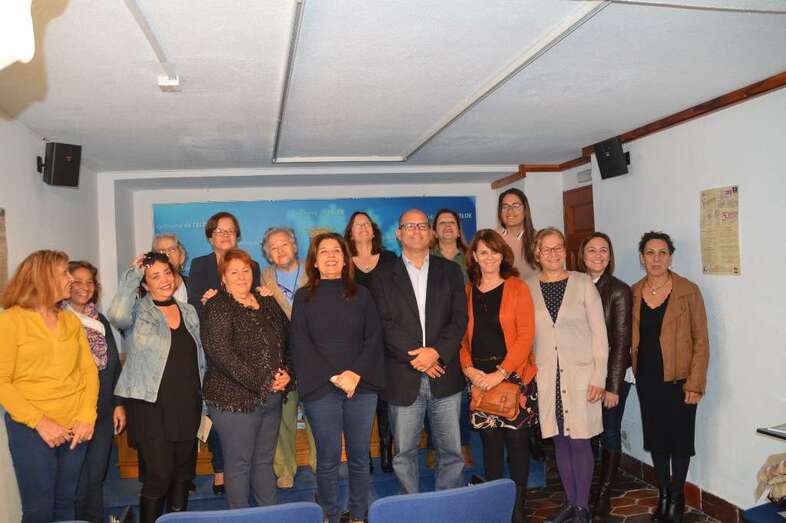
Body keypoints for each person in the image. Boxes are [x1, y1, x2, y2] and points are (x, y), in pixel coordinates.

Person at [369, 208, 468, 494]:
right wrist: (421, 358)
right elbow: (384, 325)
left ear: (431, 232)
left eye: (422, 225)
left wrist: (436, 352)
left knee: (451, 452)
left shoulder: (449, 271)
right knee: (404, 454)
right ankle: (409, 508)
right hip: (403, 376)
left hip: (444, 374)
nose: (416, 230)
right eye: (409, 226)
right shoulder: (382, 275)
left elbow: (459, 319)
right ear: (398, 234)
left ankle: (447, 506)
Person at [291, 233, 385, 523]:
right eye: (323, 252)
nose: (330, 256)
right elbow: (300, 344)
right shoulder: (303, 297)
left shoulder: (363, 294)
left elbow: (374, 338)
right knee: (328, 458)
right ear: (315, 261)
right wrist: (334, 376)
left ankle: (358, 515)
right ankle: (331, 515)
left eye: (336, 251)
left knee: (359, 457)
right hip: (321, 388)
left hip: (361, 386)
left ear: (346, 259)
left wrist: (354, 373)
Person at [0, 250, 99, 523]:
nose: (72, 279)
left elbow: (88, 372)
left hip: (75, 429)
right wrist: (40, 422)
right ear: (44, 278)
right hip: (32, 430)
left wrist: (86, 417)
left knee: (66, 506)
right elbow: (2, 381)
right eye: (65, 273)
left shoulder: (70, 321)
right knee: (39, 510)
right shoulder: (11, 321)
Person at [109, 252, 205, 522]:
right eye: (154, 276)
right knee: (159, 475)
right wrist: (133, 274)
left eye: (167, 273)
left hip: (188, 405)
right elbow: (116, 315)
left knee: (182, 475)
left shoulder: (189, 311)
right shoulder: (138, 310)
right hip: (151, 407)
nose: (163, 280)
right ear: (145, 283)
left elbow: (200, 358)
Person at [525, 228, 608, 523]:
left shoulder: (583, 283)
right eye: (546, 249)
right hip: (548, 377)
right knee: (559, 441)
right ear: (537, 254)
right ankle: (570, 503)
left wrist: (600, 376)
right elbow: (525, 336)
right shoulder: (528, 287)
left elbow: (600, 334)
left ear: (565, 250)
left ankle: (583, 506)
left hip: (582, 376)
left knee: (580, 441)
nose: (553, 253)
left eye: (558, 247)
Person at [200, 248, 291, 508]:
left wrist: (287, 374)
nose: (241, 277)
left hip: (271, 398)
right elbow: (221, 354)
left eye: (246, 271)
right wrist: (262, 382)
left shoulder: (268, 302)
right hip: (234, 400)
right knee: (239, 464)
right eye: (234, 272)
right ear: (223, 279)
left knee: (263, 461)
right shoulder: (217, 306)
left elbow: (287, 341)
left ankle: (269, 514)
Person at [459, 230, 536, 523]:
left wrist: (501, 372)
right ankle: (496, 508)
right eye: (483, 252)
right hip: (478, 378)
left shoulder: (517, 287)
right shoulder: (467, 291)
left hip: (513, 377)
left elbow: (526, 336)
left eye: (494, 252)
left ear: (502, 255)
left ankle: (518, 510)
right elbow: (461, 340)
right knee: (489, 445)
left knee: (517, 445)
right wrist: (469, 369)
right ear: (474, 257)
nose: (489, 257)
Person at [632, 232, 709, 523]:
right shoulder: (634, 291)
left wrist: (695, 382)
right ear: (642, 257)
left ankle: (676, 499)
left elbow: (701, 340)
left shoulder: (688, 291)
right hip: (648, 380)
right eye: (650, 253)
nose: (655, 259)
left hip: (681, 382)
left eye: (662, 253)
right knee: (657, 440)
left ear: (670, 257)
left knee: (679, 441)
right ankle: (663, 495)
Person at [188, 211, 259, 493]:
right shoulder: (200, 264)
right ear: (210, 237)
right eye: (219, 231)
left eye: (230, 231)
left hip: (246, 350)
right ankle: (220, 467)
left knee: (248, 413)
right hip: (213, 351)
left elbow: (253, 302)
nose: (226, 235)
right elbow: (194, 305)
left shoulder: (250, 264)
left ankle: (247, 468)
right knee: (219, 409)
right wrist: (206, 302)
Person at [576, 233, 633, 517]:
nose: (598, 255)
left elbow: (621, 341)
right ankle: (588, 485)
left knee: (609, 431)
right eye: (591, 250)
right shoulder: (575, 284)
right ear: (582, 255)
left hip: (615, 374)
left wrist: (613, 386)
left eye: (603, 251)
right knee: (587, 432)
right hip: (582, 374)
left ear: (609, 257)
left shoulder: (619, 290)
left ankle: (605, 492)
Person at [65, 261, 125, 523]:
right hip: (71, 413)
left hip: (101, 410)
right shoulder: (58, 319)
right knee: (75, 479)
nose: (84, 287)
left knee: (96, 475)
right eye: (77, 281)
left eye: (89, 282)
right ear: (65, 283)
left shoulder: (99, 320)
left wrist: (118, 403)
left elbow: (112, 364)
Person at [259, 226, 318, 488]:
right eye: (274, 247)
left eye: (284, 244)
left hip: (316, 356)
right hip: (282, 360)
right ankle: (284, 469)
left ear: (295, 246)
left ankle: (321, 462)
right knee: (283, 416)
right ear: (268, 255)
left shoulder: (314, 270)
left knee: (318, 413)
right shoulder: (264, 278)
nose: (280, 250)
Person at [343, 211, 397, 473]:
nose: (362, 228)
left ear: (373, 231)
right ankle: (363, 454)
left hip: (387, 340)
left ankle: (387, 450)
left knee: (385, 399)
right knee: (359, 400)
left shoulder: (389, 259)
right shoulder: (343, 263)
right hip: (355, 342)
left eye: (366, 224)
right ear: (350, 233)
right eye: (356, 225)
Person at [429, 208, 473, 470]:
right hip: (435, 337)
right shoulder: (428, 258)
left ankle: (463, 444)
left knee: (463, 396)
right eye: (441, 223)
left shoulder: (470, 259)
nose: (447, 227)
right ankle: (434, 445)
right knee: (432, 389)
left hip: (466, 334)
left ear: (459, 229)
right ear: (434, 230)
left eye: (452, 223)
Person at [496, 188, 538, 279]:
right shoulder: (493, 239)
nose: (510, 211)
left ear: (525, 210)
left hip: (532, 292)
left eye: (515, 206)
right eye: (505, 206)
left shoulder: (539, 239)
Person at [152, 233, 188, 302]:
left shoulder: (194, 285)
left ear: (181, 257)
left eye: (172, 250)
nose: (167, 255)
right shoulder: (146, 289)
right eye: (162, 251)